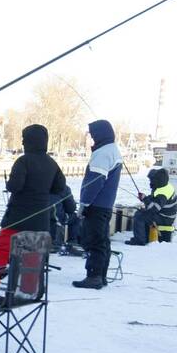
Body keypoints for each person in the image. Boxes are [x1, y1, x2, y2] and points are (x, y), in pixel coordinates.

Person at [0, 124, 66, 283]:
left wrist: (9, 184)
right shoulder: (52, 163)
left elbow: (15, 186)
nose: (22, 143)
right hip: (40, 220)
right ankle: (28, 290)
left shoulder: (23, 161)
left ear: (29, 141)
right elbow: (60, 187)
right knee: (31, 257)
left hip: (17, 219)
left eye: (24, 140)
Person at [74, 119, 122, 289]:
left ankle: (93, 276)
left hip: (96, 205)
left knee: (95, 241)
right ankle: (101, 275)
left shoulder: (102, 153)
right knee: (102, 241)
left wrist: (84, 204)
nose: (91, 138)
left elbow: (95, 181)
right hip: (106, 205)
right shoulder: (112, 150)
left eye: (93, 135)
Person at [125, 168, 177, 245]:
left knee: (139, 216)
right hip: (167, 216)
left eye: (151, 180)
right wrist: (145, 197)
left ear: (156, 180)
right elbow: (155, 199)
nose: (150, 182)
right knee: (143, 212)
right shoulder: (166, 186)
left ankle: (139, 240)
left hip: (164, 218)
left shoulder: (162, 193)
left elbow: (154, 208)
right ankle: (144, 237)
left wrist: (145, 199)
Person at [50, 184, 81, 254]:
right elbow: (71, 208)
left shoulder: (37, 184)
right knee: (76, 218)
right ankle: (72, 243)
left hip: (38, 216)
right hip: (57, 217)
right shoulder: (63, 187)